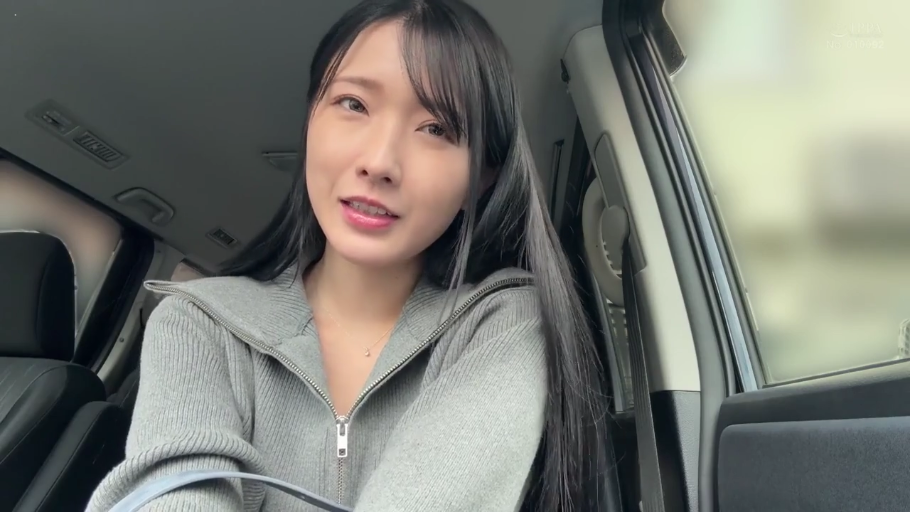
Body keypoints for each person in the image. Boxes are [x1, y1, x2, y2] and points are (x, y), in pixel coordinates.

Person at [88, 0, 610, 510]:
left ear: (482, 180)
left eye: (437, 129)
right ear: (310, 120)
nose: (379, 162)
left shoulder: (504, 324)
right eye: (354, 104)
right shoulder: (197, 322)